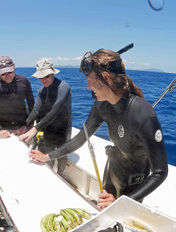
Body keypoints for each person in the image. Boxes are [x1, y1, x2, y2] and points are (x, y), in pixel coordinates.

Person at [28, 48, 168, 209]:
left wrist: (122, 202)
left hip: (134, 185)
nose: (87, 86)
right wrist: (47, 156)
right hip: (112, 172)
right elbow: (81, 138)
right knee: (104, 213)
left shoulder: (142, 113)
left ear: (105, 77)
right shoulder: (102, 105)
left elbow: (160, 172)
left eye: (89, 79)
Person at [19, 59, 72, 175]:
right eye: (40, 77)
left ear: (52, 73)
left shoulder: (63, 88)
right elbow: (36, 110)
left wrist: (35, 128)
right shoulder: (42, 90)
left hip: (63, 129)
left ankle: (61, 175)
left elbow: (55, 111)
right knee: (48, 156)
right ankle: (51, 176)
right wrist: (25, 125)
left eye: (46, 76)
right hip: (48, 128)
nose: (43, 80)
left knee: (62, 155)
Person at [0, 56, 35, 138]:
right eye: (3, 73)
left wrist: (29, 125)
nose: (7, 75)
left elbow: (31, 104)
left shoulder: (24, 81)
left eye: (10, 72)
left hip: (23, 125)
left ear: (14, 66)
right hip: (3, 128)